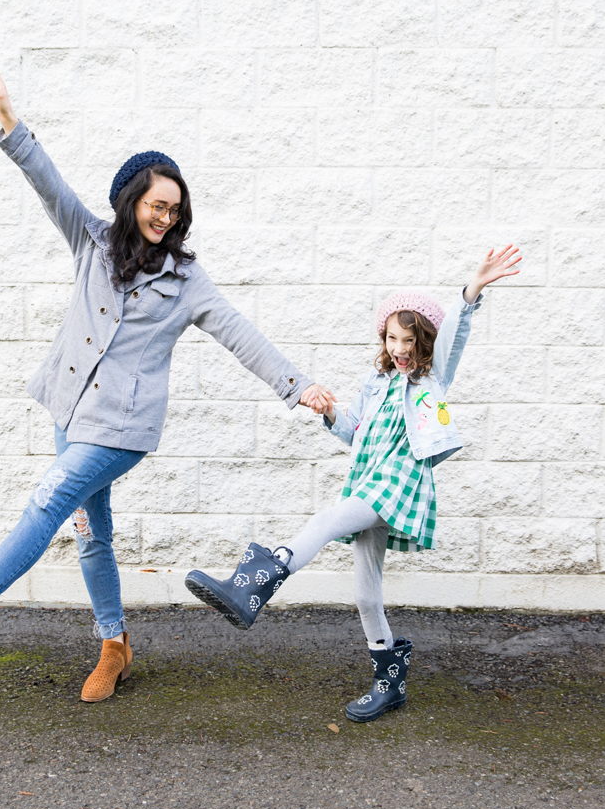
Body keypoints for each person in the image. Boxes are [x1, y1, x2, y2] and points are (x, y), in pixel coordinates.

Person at [0, 62, 334, 702]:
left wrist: (299, 386)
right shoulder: (92, 242)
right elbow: (50, 187)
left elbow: (239, 332)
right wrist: (11, 121)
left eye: (175, 210)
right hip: (69, 409)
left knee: (49, 496)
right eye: (157, 205)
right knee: (90, 534)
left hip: (121, 428)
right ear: (131, 201)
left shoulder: (188, 281)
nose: (165, 217)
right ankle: (115, 646)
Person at [185, 247, 522, 722]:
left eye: (410, 340)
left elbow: (456, 335)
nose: (400, 349)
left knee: (326, 520)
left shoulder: (430, 381)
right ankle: (390, 682)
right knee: (366, 593)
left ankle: (252, 586)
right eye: (392, 338)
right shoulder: (376, 382)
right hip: (369, 482)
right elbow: (353, 431)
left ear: (424, 344)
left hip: (397, 484)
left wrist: (473, 289)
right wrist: (329, 411)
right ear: (383, 339)